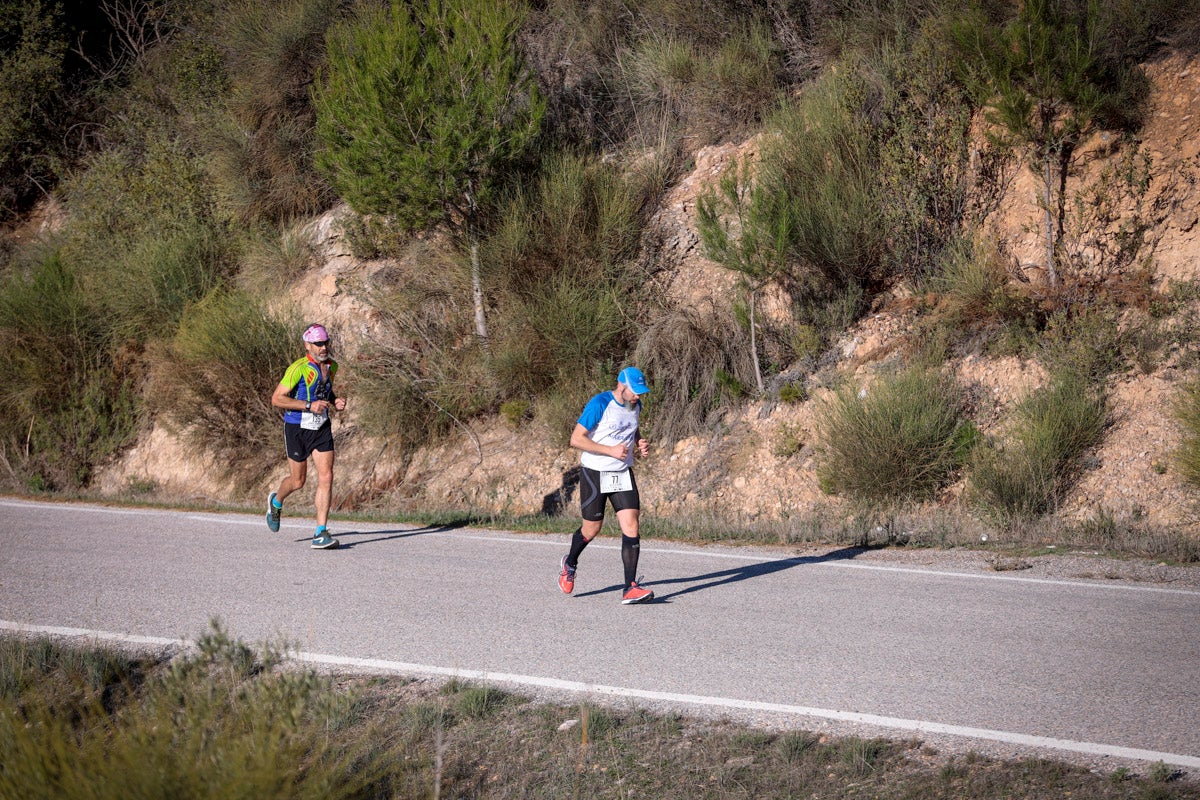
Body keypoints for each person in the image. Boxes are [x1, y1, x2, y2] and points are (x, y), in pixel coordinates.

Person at [558, 367, 654, 604]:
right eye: (636, 392)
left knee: (631, 525)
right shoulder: (600, 403)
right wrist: (609, 450)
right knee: (591, 529)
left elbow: (630, 429)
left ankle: (630, 587)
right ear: (622, 386)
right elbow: (576, 439)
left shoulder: (636, 406)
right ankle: (569, 563)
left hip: (621, 473)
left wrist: (638, 442)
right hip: (595, 473)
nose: (639, 397)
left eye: (641, 393)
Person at [265, 323, 348, 549]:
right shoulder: (298, 368)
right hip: (297, 427)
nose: (323, 347)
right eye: (318, 344)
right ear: (307, 345)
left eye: (326, 342)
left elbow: (325, 389)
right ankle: (276, 501)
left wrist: (334, 400)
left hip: (321, 427)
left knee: (326, 476)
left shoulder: (332, 366)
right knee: (298, 481)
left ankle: (321, 531)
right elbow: (277, 399)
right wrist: (309, 405)